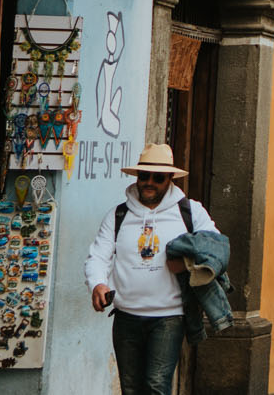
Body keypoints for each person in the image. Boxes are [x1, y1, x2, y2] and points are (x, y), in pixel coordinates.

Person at [83, 144, 218, 395]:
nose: (150, 182)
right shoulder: (118, 215)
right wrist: (98, 284)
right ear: (137, 177)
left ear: (169, 179)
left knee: (156, 385)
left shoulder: (189, 211)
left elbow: (216, 249)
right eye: (144, 176)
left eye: (158, 178)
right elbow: (97, 256)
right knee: (131, 389)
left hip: (168, 317)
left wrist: (188, 265)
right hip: (125, 318)